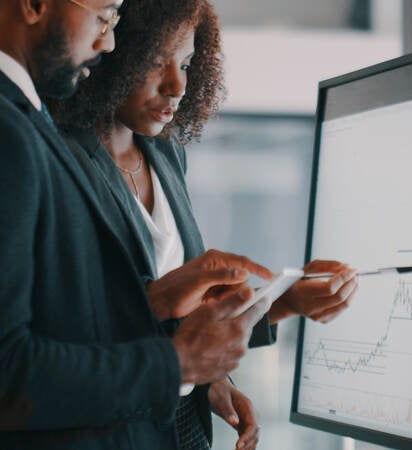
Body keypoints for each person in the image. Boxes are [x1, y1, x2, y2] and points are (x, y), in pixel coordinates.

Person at [48, 0, 360, 449]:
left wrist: (282, 307)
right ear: (111, 50)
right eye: (157, 61)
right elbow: (89, 326)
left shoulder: (166, 155)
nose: (177, 85)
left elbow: (185, 319)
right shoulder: (60, 160)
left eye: (187, 62)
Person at [0, 0, 275, 449]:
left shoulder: (31, 125)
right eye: (105, 14)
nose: (107, 41)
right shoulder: (15, 133)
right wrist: (178, 363)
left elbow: (64, 316)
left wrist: (165, 306)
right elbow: (12, 368)